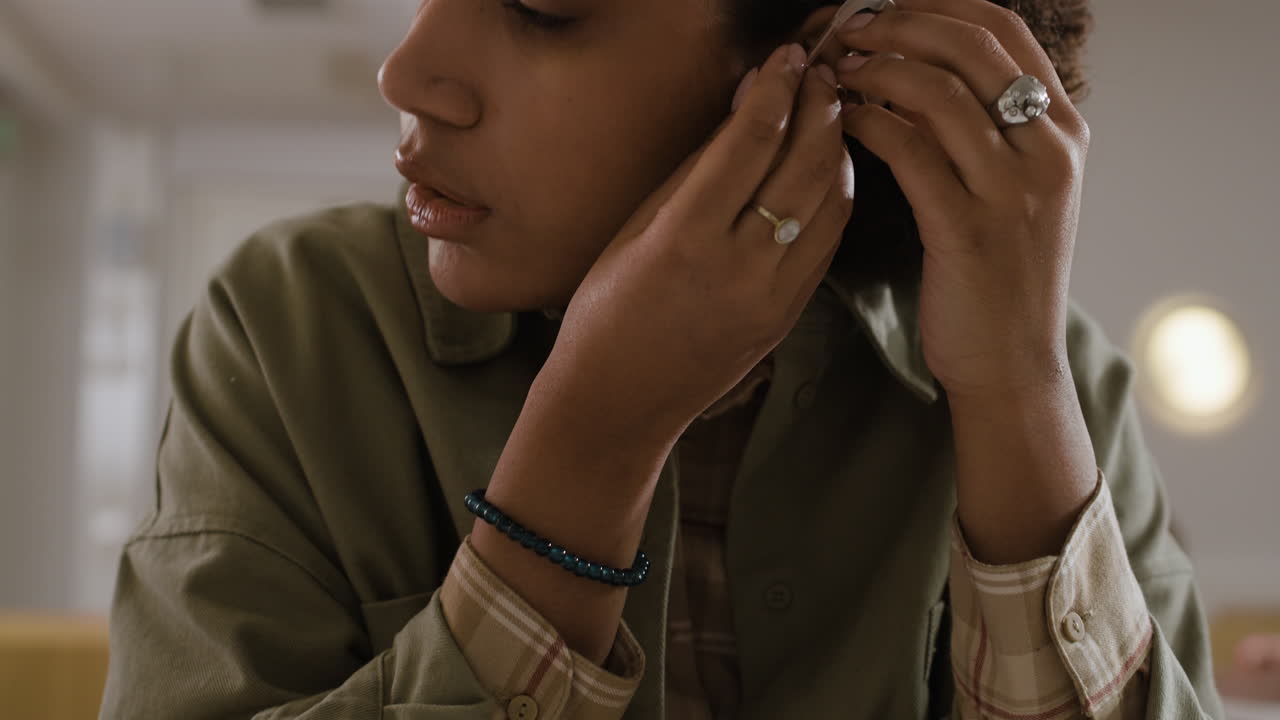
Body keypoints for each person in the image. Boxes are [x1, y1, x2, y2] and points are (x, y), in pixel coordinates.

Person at [98, 0, 1225, 718]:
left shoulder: (1055, 380)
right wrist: (588, 441)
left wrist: (1015, 395)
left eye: (538, 8)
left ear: (830, 58)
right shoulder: (291, 324)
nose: (408, 72)